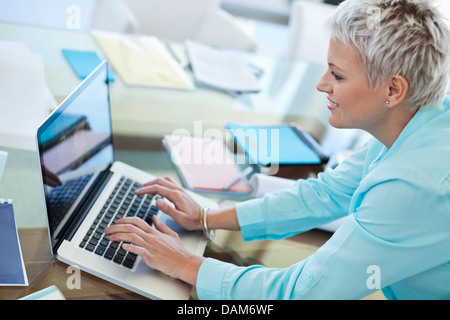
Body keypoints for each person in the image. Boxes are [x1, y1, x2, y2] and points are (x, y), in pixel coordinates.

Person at [105, 0, 450, 299]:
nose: (321, 84)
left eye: (337, 75)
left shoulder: (414, 186)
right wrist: (206, 217)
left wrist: (184, 263)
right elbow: (325, 194)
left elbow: (304, 292)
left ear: (393, 89)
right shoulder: (420, 119)